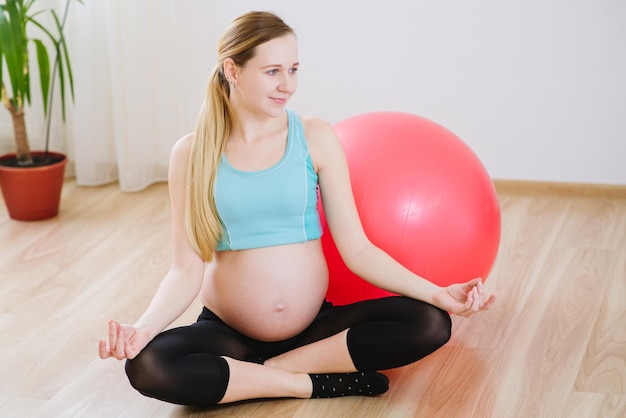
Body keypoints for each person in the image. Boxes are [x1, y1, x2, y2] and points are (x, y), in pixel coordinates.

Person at [98, 10, 495, 406]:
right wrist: (142, 329)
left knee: (428, 323)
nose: (287, 85)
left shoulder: (314, 136)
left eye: (293, 69)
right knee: (148, 365)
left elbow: (357, 251)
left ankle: (257, 376)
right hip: (228, 335)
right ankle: (307, 383)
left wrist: (438, 295)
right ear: (232, 70)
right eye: (273, 71)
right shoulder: (190, 153)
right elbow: (185, 268)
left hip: (314, 330)